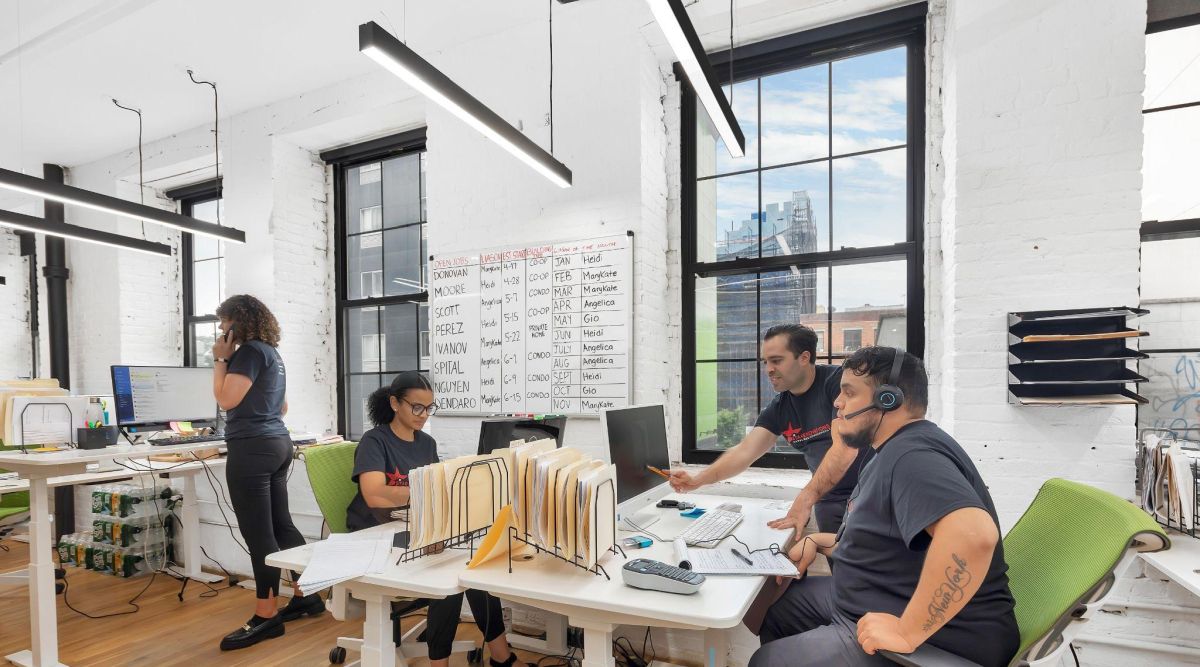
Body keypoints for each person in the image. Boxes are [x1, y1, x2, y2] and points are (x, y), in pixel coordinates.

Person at [750, 347, 1019, 667]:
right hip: (873, 598)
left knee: (768, 661)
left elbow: (973, 535)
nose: (837, 403)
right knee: (776, 607)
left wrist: (907, 632)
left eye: (849, 393)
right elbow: (886, 543)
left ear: (888, 400)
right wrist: (818, 541)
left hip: (943, 637)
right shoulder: (886, 450)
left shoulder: (912, 455)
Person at [347, 371, 526, 667]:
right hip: (377, 533)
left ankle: (501, 655)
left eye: (428, 408)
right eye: (416, 407)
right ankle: (438, 663)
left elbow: (440, 492)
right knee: (448, 577)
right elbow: (374, 494)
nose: (423, 415)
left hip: (415, 527)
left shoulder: (426, 444)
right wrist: (425, 490)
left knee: (472, 564)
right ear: (394, 403)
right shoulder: (374, 441)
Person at [669, 324, 871, 533]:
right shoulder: (779, 408)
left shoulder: (838, 384)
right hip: (827, 501)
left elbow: (845, 448)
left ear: (803, 358)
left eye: (776, 360)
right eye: (766, 362)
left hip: (868, 497)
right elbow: (744, 452)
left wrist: (805, 498)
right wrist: (697, 480)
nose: (768, 369)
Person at [211, 294, 323, 651]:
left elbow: (226, 400)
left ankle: (266, 615)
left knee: (259, 535)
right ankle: (307, 594)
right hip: (278, 445)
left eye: (223, 323)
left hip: (252, 449)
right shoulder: (272, 354)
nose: (220, 330)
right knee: (280, 525)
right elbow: (283, 405)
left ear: (236, 324)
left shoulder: (246, 354)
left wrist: (219, 360)